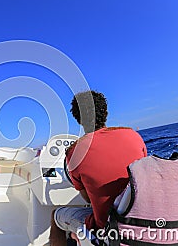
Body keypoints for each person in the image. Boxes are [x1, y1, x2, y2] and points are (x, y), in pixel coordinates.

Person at [48, 90, 147, 246]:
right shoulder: (134, 136)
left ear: (77, 118)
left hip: (108, 228)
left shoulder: (75, 152)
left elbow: (87, 198)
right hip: (140, 220)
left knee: (56, 215)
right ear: (106, 112)